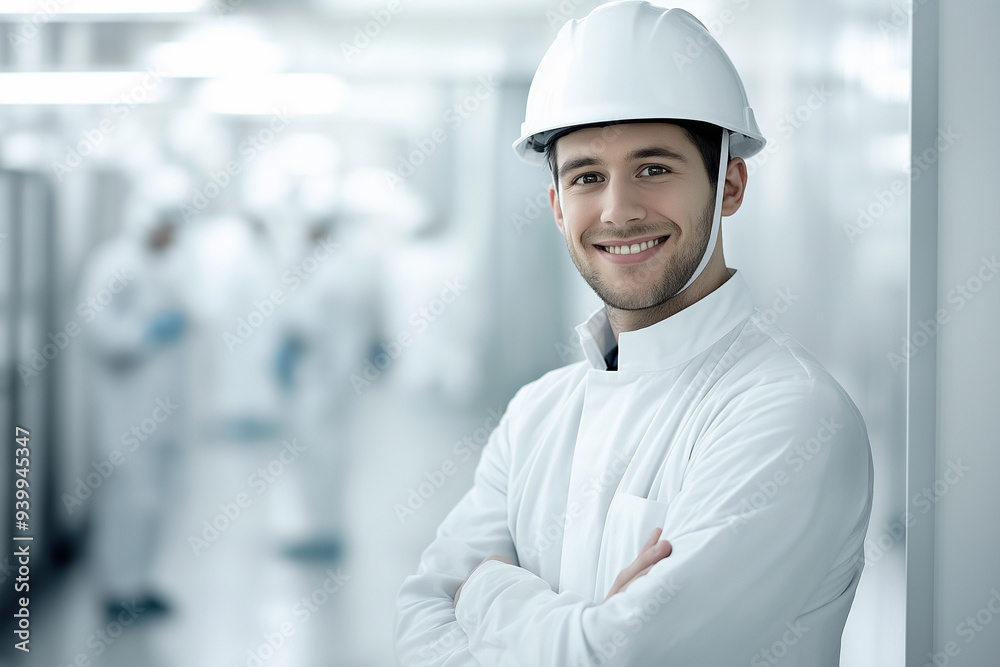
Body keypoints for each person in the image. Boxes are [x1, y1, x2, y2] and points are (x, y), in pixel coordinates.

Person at [394, 2, 874, 665]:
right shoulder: (537, 413)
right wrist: (592, 624)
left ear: (729, 182)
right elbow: (419, 621)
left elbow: (624, 657)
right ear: (559, 205)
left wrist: (489, 594)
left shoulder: (789, 413)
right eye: (587, 176)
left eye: (653, 168)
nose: (618, 210)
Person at [81, 203, 190, 621]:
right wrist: (143, 334)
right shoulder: (112, 264)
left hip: (165, 410)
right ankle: (117, 589)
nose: (173, 235)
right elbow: (99, 330)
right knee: (127, 496)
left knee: (155, 499)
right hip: (126, 408)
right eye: (166, 225)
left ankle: (139, 582)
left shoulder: (170, 264)